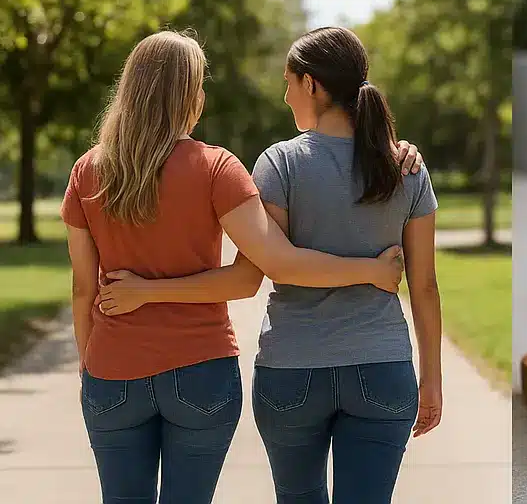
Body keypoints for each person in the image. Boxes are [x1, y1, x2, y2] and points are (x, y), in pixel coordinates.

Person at [62, 30, 424, 504]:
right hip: (201, 371)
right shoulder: (217, 169)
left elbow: (83, 291)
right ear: (189, 95)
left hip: (112, 371)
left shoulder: (88, 170)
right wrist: (371, 272)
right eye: (199, 86)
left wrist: (94, 365)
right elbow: (253, 274)